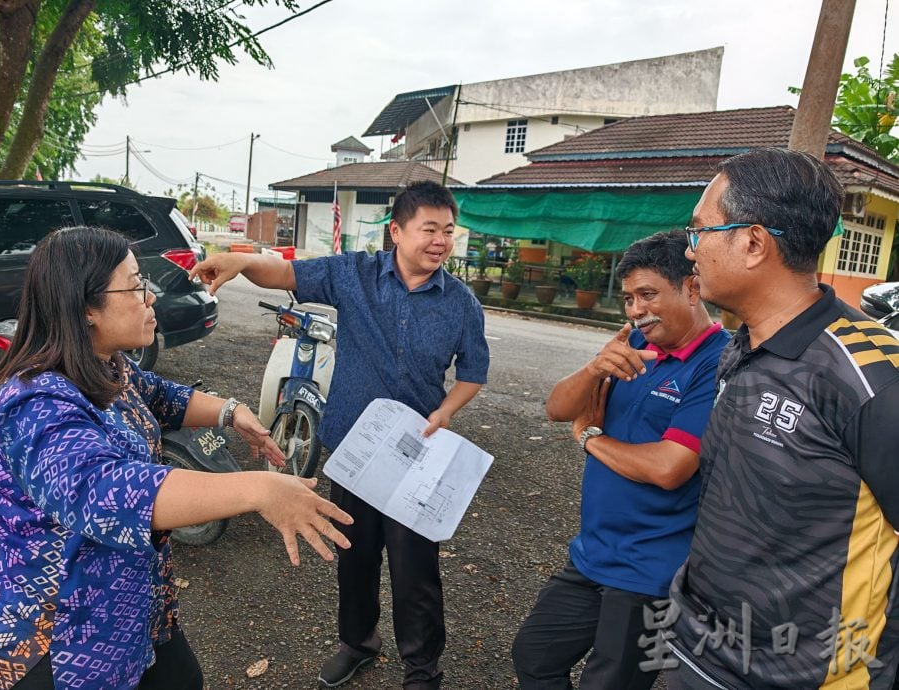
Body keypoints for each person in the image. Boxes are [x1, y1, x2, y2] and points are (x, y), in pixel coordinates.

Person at [0, 226, 353, 690]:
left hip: (131, 613)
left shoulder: (105, 364)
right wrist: (258, 489)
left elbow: (159, 396)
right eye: (136, 285)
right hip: (54, 640)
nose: (151, 297)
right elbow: (102, 490)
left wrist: (230, 411)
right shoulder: (34, 401)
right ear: (85, 307)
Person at [190, 180, 490, 689]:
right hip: (356, 449)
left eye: (448, 230)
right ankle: (357, 643)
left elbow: (473, 373)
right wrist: (240, 261)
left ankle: (422, 669)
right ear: (397, 232)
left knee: (415, 571)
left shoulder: (461, 303)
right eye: (429, 229)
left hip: (414, 456)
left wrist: (445, 412)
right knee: (355, 556)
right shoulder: (354, 274)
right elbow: (285, 273)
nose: (440, 241)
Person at [666, 147, 899, 689]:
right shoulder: (742, 345)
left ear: (753, 243)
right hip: (699, 647)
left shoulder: (873, 374)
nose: (690, 248)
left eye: (699, 230)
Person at [510, 230, 729, 689]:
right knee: (534, 655)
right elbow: (557, 409)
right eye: (629, 298)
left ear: (692, 288)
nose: (635, 310)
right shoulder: (634, 342)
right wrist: (595, 368)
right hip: (594, 554)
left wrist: (590, 438)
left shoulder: (716, 363)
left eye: (648, 295)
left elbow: (670, 468)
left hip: (653, 571)